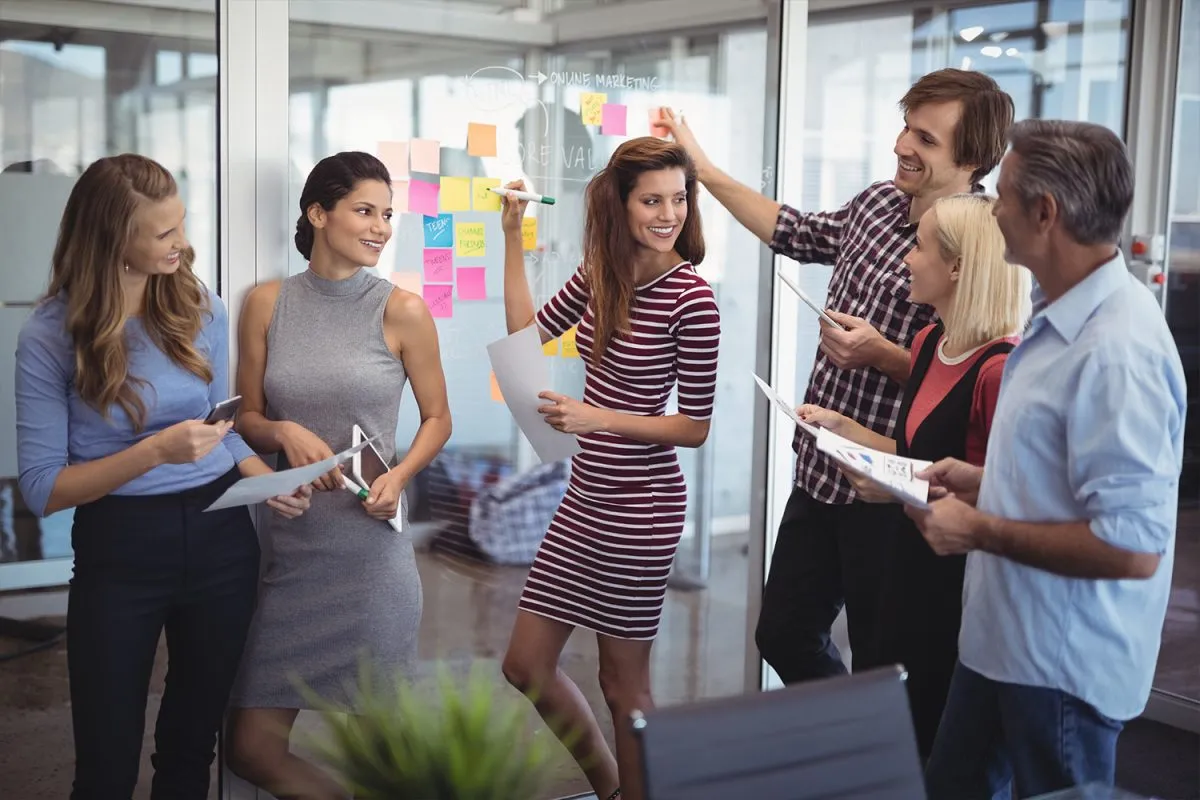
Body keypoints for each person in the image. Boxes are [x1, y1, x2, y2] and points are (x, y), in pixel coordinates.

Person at [658, 68, 1015, 682]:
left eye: (926, 139)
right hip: (824, 465)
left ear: (972, 161)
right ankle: (854, 724)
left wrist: (881, 354)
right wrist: (704, 171)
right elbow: (793, 231)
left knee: (884, 660)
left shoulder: (982, 245)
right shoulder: (877, 203)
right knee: (783, 633)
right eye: (907, 127)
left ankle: (869, 735)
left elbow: (968, 379)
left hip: (888, 488)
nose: (903, 145)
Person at [14, 153, 311, 800]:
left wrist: (268, 480)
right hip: (119, 549)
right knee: (105, 767)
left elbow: (220, 428)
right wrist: (154, 453)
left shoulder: (200, 306)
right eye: (163, 233)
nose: (182, 242)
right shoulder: (49, 336)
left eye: (180, 223)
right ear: (111, 239)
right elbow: (41, 489)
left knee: (190, 751)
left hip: (221, 540)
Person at [909, 120, 1186, 799]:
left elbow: (1132, 549)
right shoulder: (1057, 314)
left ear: (1044, 214)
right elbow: (1064, 476)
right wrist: (985, 482)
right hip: (1002, 644)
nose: (993, 209)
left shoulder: (1117, 350)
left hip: (1061, 668)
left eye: (1002, 196)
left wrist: (981, 529)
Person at [497, 137, 721, 800]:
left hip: (642, 509)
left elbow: (695, 427)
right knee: (524, 665)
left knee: (624, 684)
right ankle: (611, 787)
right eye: (652, 200)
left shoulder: (693, 300)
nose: (668, 214)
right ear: (619, 206)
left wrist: (596, 417)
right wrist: (511, 236)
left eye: (678, 199)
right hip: (585, 499)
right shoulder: (601, 273)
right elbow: (524, 340)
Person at [225, 151, 452, 799]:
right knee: (250, 748)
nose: (381, 227)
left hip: (372, 558)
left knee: (385, 759)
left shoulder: (403, 310)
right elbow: (247, 418)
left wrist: (399, 477)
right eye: (365, 211)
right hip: (293, 558)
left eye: (388, 214)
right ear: (319, 214)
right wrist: (282, 432)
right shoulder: (266, 303)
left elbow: (438, 419)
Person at [795, 193, 1030, 760]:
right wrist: (845, 429)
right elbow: (913, 452)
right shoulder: (928, 344)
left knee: (931, 740)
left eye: (919, 247)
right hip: (905, 563)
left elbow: (999, 495)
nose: (905, 258)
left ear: (957, 267)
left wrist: (899, 485)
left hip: (954, 585)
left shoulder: (999, 369)